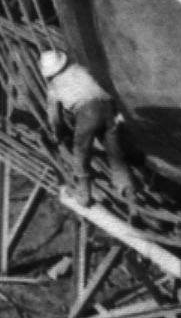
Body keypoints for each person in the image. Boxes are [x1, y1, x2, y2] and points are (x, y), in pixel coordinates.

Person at [39, 46, 135, 206]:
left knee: (81, 151)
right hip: (108, 106)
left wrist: (57, 133)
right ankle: (130, 193)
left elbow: (55, 117)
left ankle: (84, 195)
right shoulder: (81, 69)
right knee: (115, 153)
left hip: (87, 112)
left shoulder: (53, 87)